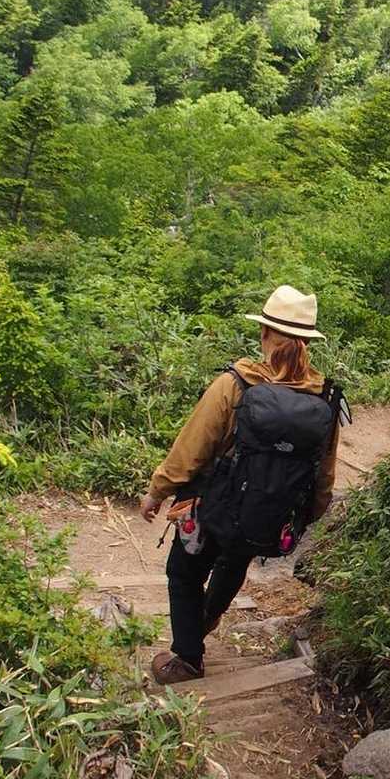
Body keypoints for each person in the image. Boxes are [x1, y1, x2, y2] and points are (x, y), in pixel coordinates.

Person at [140, 286, 342, 685]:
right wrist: (312, 511)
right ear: (308, 342)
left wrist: (157, 491)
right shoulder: (323, 397)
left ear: (264, 333)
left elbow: (192, 447)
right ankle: (206, 617)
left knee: (184, 572)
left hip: (214, 505)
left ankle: (187, 659)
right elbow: (325, 467)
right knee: (234, 563)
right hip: (269, 515)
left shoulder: (236, 383)